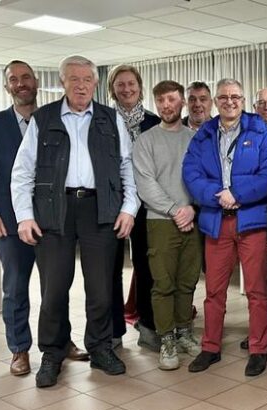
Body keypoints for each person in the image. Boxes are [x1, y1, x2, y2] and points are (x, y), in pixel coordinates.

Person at [11, 55, 138, 388]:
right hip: (55, 212)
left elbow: (127, 168)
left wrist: (129, 208)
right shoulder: (44, 119)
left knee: (100, 289)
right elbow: (22, 172)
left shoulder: (111, 120)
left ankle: (100, 349)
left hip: (101, 210)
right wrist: (24, 216)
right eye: (74, 79)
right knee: (54, 290)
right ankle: (52, 353)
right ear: (62, 82)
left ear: (95, 84)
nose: (81, 85)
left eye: (87, 79)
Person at [0, 60, 88, 376]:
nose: (21, 83)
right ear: (7, 87)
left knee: (56, 287)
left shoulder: (54, 119)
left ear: (36, 82)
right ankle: (19, 349)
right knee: (16, 288)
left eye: (26, 77)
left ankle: (61, 341)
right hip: (12, 223)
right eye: (13, 79)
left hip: (53, 220)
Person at [183, 78, 267, 377]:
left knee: (256, 290)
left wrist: (237, 193)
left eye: (235, 96)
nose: (229, 101)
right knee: (214, 291)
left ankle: (259, 347)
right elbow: (191, 173)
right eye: (223, 97)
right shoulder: (204, 134)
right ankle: (210, 347)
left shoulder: (260, 131)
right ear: (215, 101)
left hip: (252, 220)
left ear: (243, 99)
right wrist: (217, 196)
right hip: (216, 220)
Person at [133, 80, 202, 370]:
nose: (166, 105)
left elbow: (204, 176)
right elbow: (145, 185)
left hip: (193, 219)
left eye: (171, 99)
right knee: (163, 283)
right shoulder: (145, 140)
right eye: (160, 100)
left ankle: (185, 330)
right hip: (161, 221)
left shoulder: (195, 138)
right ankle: (167, 339)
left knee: (188, 281)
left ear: (182, 102)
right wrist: (176, 210)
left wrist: (192, 209)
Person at [108, 64, 161, 351]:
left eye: (131, 84)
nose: (126, 89)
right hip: (111, 206)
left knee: (146, 267)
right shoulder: (101, 120)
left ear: (140, 87)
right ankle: (115, 330)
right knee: (111, 269)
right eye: (120, 85)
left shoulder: (153, 122)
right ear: (112, 89)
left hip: (147, 206)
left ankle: (148, 326)